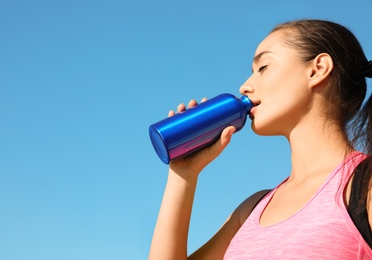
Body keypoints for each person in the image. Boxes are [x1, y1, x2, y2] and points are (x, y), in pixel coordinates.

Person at [149, 19, 372, 259]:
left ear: (317, 69)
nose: (245, 86)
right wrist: (183, 174)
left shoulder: (364, 188)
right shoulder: (251, 209)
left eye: (263, 67)